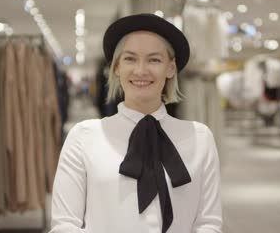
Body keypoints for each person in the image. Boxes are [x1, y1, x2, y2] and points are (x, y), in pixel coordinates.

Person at [49, 13, 223, 233]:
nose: (141, 70)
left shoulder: (200, 138)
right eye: (130, 58)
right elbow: (64, 225)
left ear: (171, 68)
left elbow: (209, 223)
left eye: (154, 59)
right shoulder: (83, 137)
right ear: (116, 67)